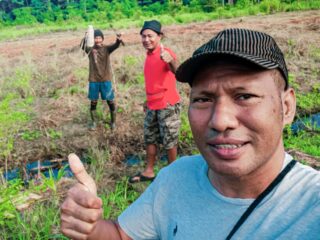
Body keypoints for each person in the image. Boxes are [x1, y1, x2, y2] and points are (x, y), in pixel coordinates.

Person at [60, 28, 320, 239]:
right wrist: (91, 228)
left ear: (286, 108)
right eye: (203, 99)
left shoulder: (311, 207)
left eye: (245, 96)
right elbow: (119, 234)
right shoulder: (176, 177)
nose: (220, 121)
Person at [128, 20, 181, 183]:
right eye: (143, 36)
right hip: (152, 105)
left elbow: (178, 73)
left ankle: (173, 174)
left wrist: (170, 60)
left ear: (159, 36)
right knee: (149, 138)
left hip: (167, 105)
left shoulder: (166, 53)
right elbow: (154, 80)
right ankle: (149, 171)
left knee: (169, 140)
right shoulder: (149, 56)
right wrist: (147, 100)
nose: (146, 40)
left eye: (150, 36)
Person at [84, 28, 123, 130]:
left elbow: (115, 45)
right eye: (95, 38)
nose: (97, 40)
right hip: (94, 80)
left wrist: (118, 39)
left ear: (102, 39)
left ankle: (113, 122)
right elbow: (82, 46)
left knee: (110, 101)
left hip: (106, 80)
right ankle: (94, 123)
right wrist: (86, 37)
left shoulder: (106, 49)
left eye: (99, 38)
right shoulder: (90, 50)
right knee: (93, 102)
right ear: (93, 39)